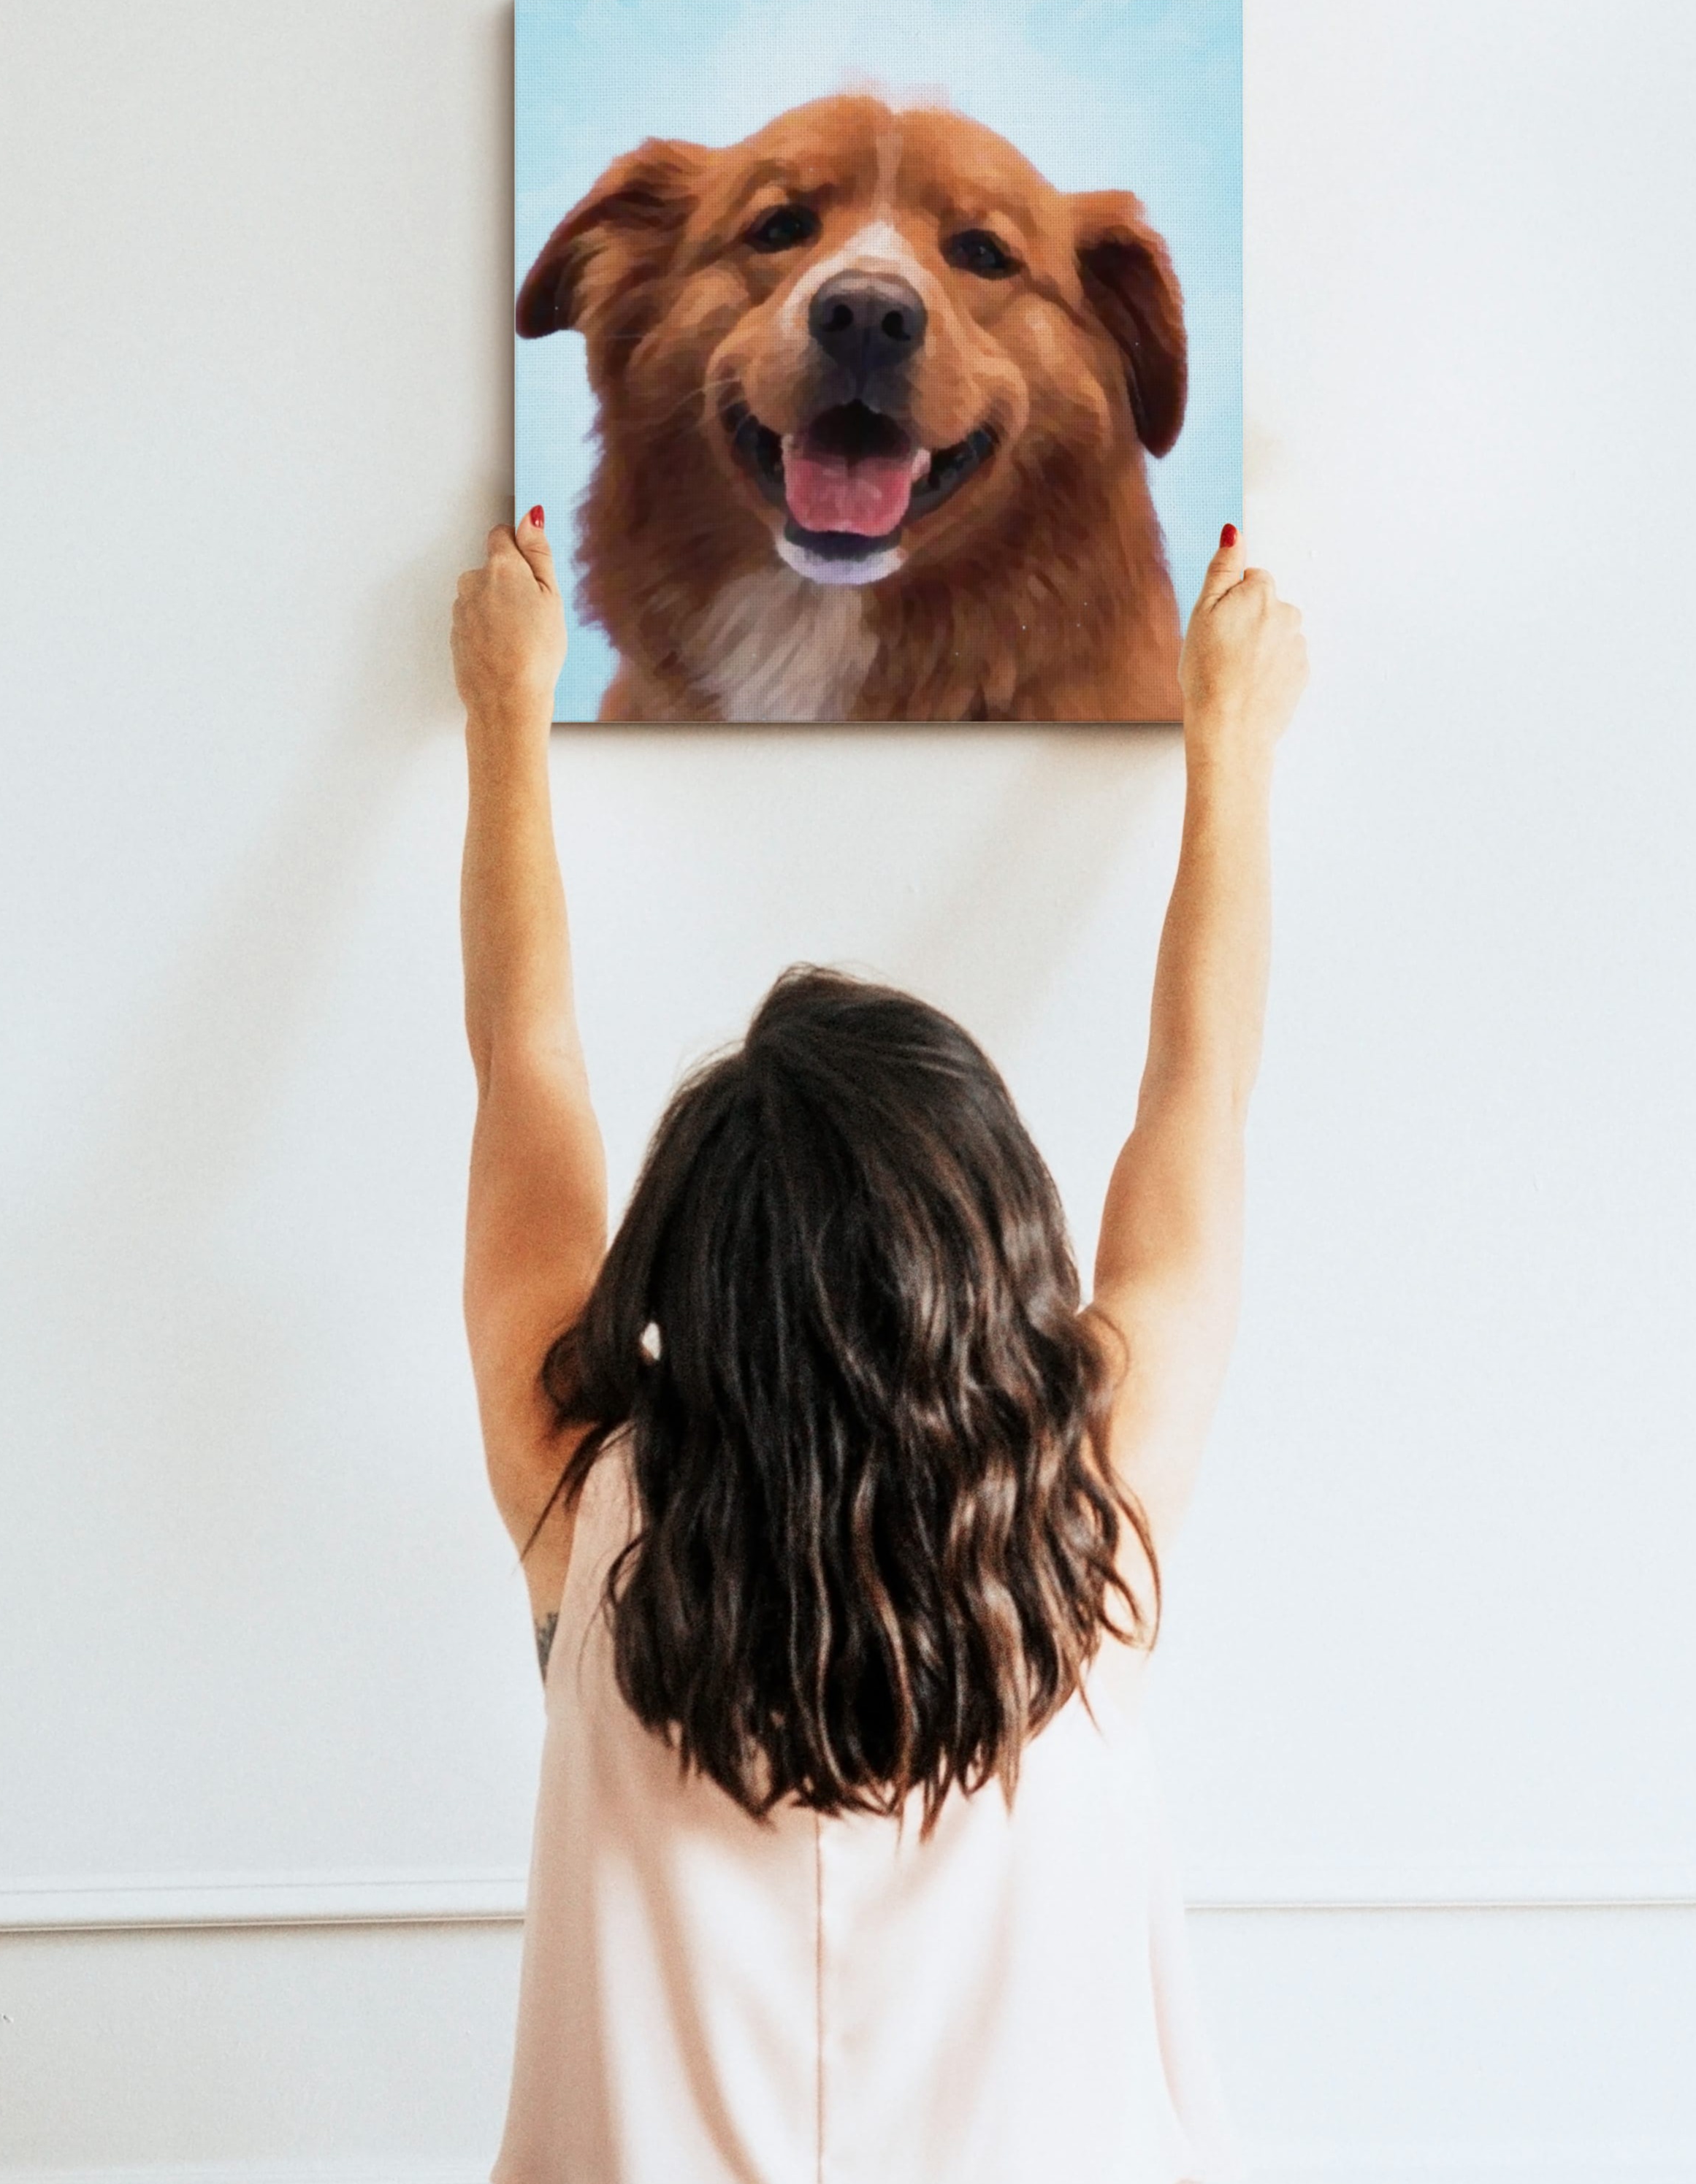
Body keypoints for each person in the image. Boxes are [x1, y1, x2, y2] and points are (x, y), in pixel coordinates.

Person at [450, 509, 1307, 2184]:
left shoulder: (587, 1503)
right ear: (997, 1259)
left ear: (684, 1275)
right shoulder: (1087, 1523)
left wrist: (504, 713)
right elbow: (1195, 1093)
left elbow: (522, 1062)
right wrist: (1231, 748)